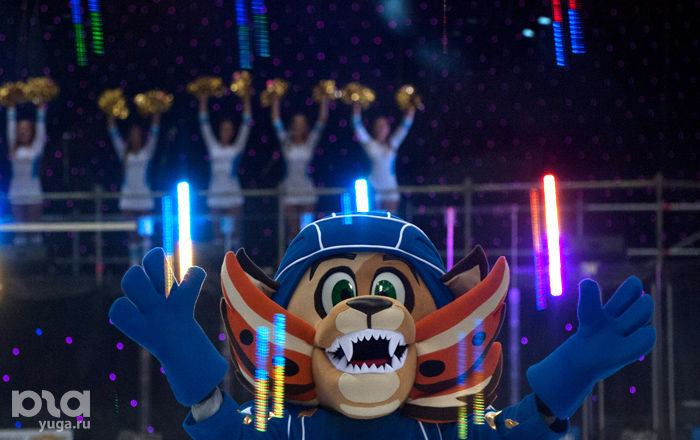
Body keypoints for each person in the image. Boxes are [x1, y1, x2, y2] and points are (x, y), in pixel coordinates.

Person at [270, 94, 329, 242]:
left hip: (306, 190)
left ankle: (309, 254)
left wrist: (324, 98)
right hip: (290, 190)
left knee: (308, 229)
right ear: (292, 125)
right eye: (296, 123)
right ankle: (293, 255)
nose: (298, 126)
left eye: (301, 123)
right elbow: (276, 120)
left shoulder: (310, 142)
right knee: (293, 231)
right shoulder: (286, 141)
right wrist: (275, 97)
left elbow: (322, 120)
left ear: (305, 126)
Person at [198, 93, 252, 248]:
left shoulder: (237, 148)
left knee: (233, 236)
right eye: (224, 129)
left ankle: (233, 260)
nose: (226, 132)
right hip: (215, 193)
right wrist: (203, 98)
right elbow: (204, 124)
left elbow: (246, 124)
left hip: (232, 193)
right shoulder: (213, 146)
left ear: (233, 131)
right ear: (220, 130)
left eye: (229, 129)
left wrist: (246, 98)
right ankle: (219, 262)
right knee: (218, 237)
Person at [107, 112, 160, 260]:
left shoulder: (146, 153)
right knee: (132, 236)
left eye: (138, 135)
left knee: (146, 234)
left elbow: (154, 135)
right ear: (129, 137)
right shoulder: (124, 153)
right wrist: (110, 113)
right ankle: (134, 264)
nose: (136, 137)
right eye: (133, 135)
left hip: (145, 199)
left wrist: (156, 114)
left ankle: (146, 265)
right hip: (128, 199)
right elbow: (113, 134)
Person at [352, 102, 415, 212]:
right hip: (374, 188)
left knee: (390, 219)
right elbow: (357, 126)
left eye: (383, 126)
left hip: (390, 189)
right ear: (374, 128)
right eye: (378, 125)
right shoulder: (370, 144)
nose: (381, 128)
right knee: (375, 220)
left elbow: (405, 127)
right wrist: (356, 106)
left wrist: (411, 106)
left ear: (388, 129)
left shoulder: (393, 144)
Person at [6, 102, 47, 245]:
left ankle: (36, 255)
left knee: (35, 233)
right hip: (16, 191)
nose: (23, 132)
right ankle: (19, 256)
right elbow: (10, 131)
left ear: (31, 131)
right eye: (20, 129)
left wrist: (41, 111)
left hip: (33, 191)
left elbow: (41, 133)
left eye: (26, 129)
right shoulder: (13, 147)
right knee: (20, 235)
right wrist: (11, 109)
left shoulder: (37, 147)